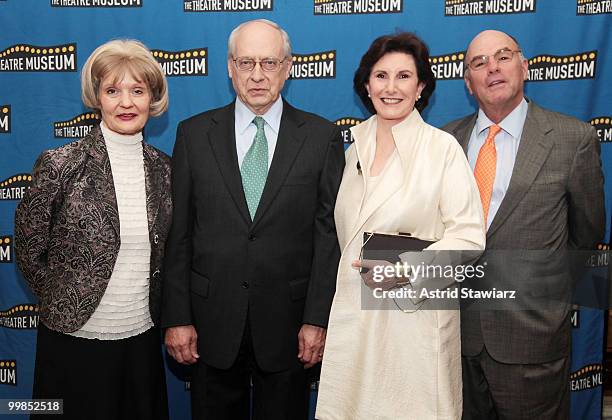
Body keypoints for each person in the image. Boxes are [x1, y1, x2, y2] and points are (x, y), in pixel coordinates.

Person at [161, 19, 344, 420]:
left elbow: (327, 236)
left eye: (269, 62)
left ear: (288, 66)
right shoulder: (193, 135)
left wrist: (317, 318)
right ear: (229, 67)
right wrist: (177, 318)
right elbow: (180, 236)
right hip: (210, 324)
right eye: (246, 63)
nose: (257, 75)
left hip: (289, 326)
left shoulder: (321, 137)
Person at [316, 32, 486, 419]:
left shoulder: (441, 149)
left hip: (414, 320)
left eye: (404, 76)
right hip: (355, 320)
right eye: (381, 76)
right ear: (366, 83)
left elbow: (469, 236)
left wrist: (407, 270)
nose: (391, 88)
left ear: (421, 86)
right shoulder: (352, 149)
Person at [443, 30, 605, 420]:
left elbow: (587, 235)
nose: (492, 68)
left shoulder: (572, 138)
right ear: (468, 82)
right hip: (454, 337)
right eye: (479, 63)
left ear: (524, 66)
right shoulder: (445, 141)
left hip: (532, 339)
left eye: (503, 56)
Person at [14, 39, 172, 420]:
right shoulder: (60, 164)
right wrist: (68, 298)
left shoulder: (164, 169)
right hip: (72, 342)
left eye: (138, 90)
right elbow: (29, 249)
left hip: (141, 338)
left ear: (152, 98)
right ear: (97, 97)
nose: (126, 102)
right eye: (113, 91)